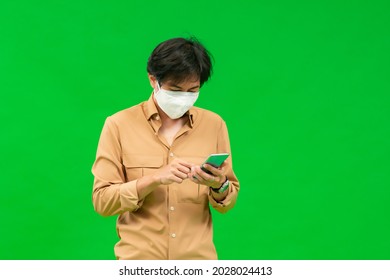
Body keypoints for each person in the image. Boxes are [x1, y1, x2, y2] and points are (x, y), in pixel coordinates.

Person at [91, 37, 240, 260]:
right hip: (139, 264)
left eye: (193, 90)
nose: (183, 98)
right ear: (154, 80)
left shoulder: (214, 125)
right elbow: (102, 202)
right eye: (176, 89)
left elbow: (227, 199)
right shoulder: (118, 125)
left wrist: (218, 185)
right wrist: (152, 180)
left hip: (197, 263)